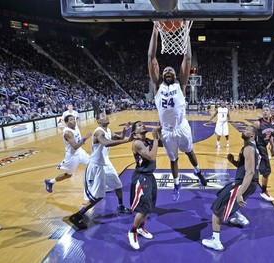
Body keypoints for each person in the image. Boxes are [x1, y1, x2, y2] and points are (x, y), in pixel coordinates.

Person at [148, 24, 207, 202]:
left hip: (182, 127)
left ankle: (198, 172)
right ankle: (176, 184)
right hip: (166, 131)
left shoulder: (180, 84)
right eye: (165, 70)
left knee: (189, 152)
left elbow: (187, 58)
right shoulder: (157, 85)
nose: (167, 71)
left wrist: (186, 34)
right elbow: (151, 57)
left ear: (175, 74)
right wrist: (155, 30)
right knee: (174, 160)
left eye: (170, 71)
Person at [68, 113, 133, 229]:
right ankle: (77, 215)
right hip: (96, 166)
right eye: (103, 116)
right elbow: (106, 143)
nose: (106, 117)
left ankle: (121, 206)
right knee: (97, 196)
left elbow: (118, 138)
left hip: (105, 163)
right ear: (98, 120)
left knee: (118, 185)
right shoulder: (98, 132)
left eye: (106, 116)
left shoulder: (108, 130)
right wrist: (126, 141)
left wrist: (124, 131)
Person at [202, 125, 260, 251]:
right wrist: (233, 161)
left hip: (244, 182)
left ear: (252, 135)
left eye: (247, 130)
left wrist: (240, 193)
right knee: (222, 194)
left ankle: (216, 241)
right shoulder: (249, 148)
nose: (243, 131)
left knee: (217, 209)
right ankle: (240, 218)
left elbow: (250, 172)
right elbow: (244, 166)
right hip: (246, 182)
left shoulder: (249, 148)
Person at [127, 121, 160, 250]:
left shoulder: (148, 141)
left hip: (149, 176)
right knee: (143, 207)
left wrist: (160, 132)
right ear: (135, 132)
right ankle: (132, 231)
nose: (143, 126)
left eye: (143, 124)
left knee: (150, 205)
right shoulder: (137, 143)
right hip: (141, 177)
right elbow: (151, 157)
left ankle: (141, 228)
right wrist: (156, 139)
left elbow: (163, 143)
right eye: (139, 125)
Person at [44, 115, 91, 193]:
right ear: (66, 123)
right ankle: (50, 182)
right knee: (69, 175)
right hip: (72, 156)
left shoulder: (74, 127)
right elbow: (75, 146)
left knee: (93, 165)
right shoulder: (67, 133)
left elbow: (77, 141)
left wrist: (81, 141)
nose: (73, 121)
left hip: (80, 152)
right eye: (71, 120)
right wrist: (85, 138)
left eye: (74, 119)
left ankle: (97, 185)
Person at [253, 105, 274, 202]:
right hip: (259, 148)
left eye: (267, 110)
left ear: (270, 112)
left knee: (251, 171)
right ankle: (263, 192)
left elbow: (270, 136)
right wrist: (253, 148)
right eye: (263, 110)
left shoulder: (272, 123)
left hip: (264, 148)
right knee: (266, 171)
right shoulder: (258, 123)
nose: (265, 112)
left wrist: (272, 147)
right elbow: (250, 135)